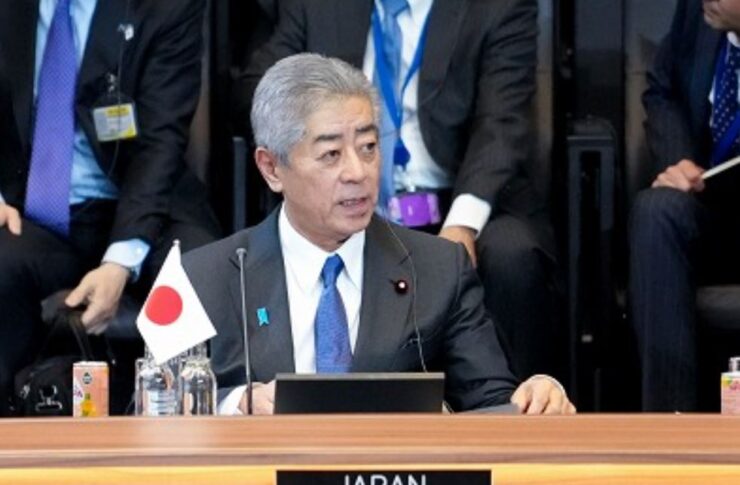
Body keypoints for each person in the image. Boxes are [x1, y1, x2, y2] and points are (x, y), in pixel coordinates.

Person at [184, 53, 574, 415]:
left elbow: (491, 402)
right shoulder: (204, 277)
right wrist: (237, 403)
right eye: (331, 154)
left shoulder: (439, 269)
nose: (358, 172)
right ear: (271, 168)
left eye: (368, 147)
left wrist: (537, 396)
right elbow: (158, 405)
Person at [232, 0, 563, 382]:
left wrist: (462, 224)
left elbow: (501, 125)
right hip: (342, 199)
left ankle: (514, 399)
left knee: (512, 254)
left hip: (455, 196)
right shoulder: (317, 5)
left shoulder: (495, 7)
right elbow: (256, 92)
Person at [0, 0, 219, 414]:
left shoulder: (163, 8)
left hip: (147, 201)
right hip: (33, 208)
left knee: (195, 269)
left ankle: (187, 435)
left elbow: (160, 143)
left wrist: (120, 260)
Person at [630, 0, 740, 411]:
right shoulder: (700, 13)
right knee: (656, 211)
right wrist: (678, 162)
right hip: (710, 207)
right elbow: (664, 89)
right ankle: (669, 422)